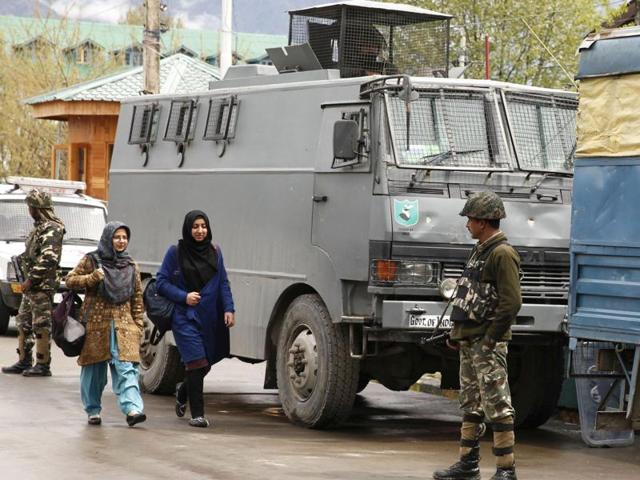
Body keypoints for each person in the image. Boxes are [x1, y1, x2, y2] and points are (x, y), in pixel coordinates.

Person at [433, 192, 522, 480]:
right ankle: (467, 464)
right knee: (471, 404)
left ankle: (506, 470)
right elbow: (470, 296)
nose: (467, 224)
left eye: (470, 219)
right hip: (470, 341)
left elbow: (511, 303)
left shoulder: (502, 254)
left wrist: (490, 339)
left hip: (486, 343)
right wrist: (457, 333)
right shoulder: (480, 250)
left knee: (497, 405)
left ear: (483, 222)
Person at [156, 210, 235, 428]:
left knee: (204, 364)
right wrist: (184, 296)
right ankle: (197, 415)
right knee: (197, 362)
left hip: (210, 317)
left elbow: (223, 283)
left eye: (203, 226)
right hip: (184, 317)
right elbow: (161, 283)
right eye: (195, 227)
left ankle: (183, 392)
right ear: (187, 228)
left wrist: (229, 308)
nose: (200, 231)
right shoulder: (175, 252)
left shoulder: (215, 252)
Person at [65, 221, 146, 427]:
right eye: (117, 237)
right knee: (94, 371)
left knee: (127, 368)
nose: (121, 241)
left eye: (124, 238)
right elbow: (70, 280)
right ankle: (93, 410)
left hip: (124, 326)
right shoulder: (92, 260)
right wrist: (92, 278)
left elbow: (137, 297)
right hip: (96, 325)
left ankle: (133, 409)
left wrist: (138, 325)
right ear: (108, 238)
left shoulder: (131, 265)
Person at [2, 189, 64, 377]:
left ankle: (43, 364)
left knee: (41, 323)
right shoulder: (39, 227)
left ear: (38, 207)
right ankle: (24, 360)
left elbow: (48, 258)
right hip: (32, 285)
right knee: (23, 321)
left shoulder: (53, 228)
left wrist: (30, 279)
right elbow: (33, 253)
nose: (29, 210)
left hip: (41, 286)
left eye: (31, 206)